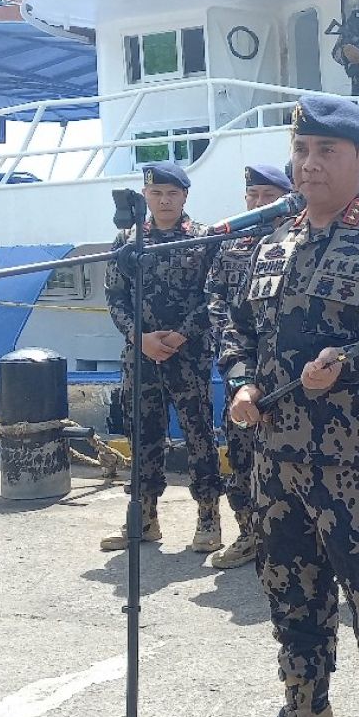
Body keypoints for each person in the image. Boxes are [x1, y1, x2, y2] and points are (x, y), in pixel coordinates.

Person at [221, 95, 359, 717]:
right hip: (278, 463)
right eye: (301, 151)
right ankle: (306, 707)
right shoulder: (269, 247)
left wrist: (350, 363)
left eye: (326, 151)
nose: (310, 165)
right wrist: (239, 385)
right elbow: (237, 334)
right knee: (291, 595)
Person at [101, 161, 224, 554]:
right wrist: (140, 339)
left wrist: (182, 334)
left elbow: (214, 295)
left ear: (185, 196)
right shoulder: (128, 241)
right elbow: (115, 297)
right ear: (146, 195)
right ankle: (144, 516)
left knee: (198, 435)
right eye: (156, 194)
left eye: (172, 193)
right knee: (143, 435)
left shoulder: (204, 239)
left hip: (188, 355)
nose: (164, 200)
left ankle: (208, 517)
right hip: (141, 356)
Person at [205, 163, 292, 569]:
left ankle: (288, 539)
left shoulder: (294, 242)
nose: (259, 204)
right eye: (253, 196)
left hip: (285, 374)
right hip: (240, 367)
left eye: (268, 197)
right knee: (239, 454)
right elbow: (218, 303)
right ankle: (247, 532)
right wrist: (235, 362)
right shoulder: (231, 245)